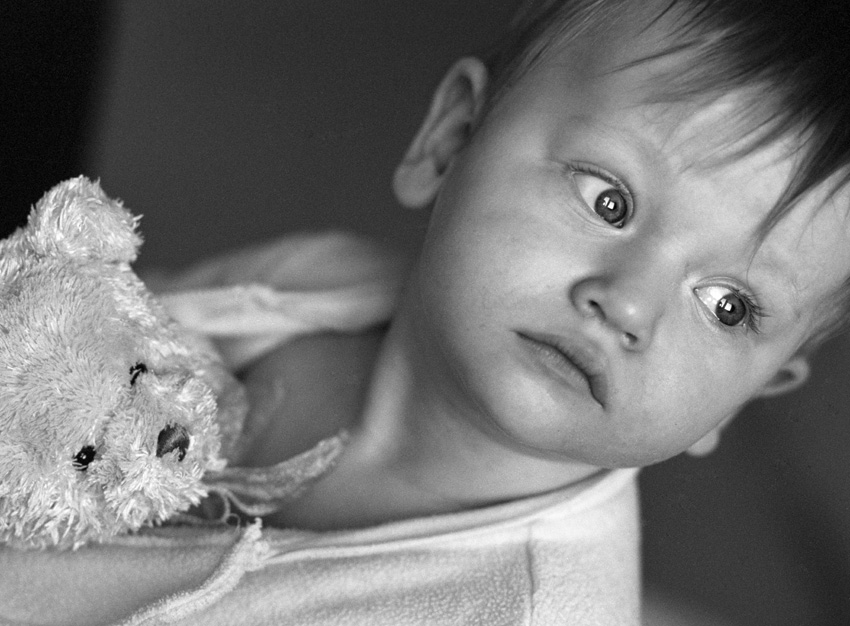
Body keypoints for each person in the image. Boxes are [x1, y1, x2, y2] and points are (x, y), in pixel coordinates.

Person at [2, 0, 850, 623]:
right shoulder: (303, 283)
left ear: (753, 391)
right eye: (610, 201)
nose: (627, 303)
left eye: (729, 306)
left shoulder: (530, 610)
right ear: (449, 141)